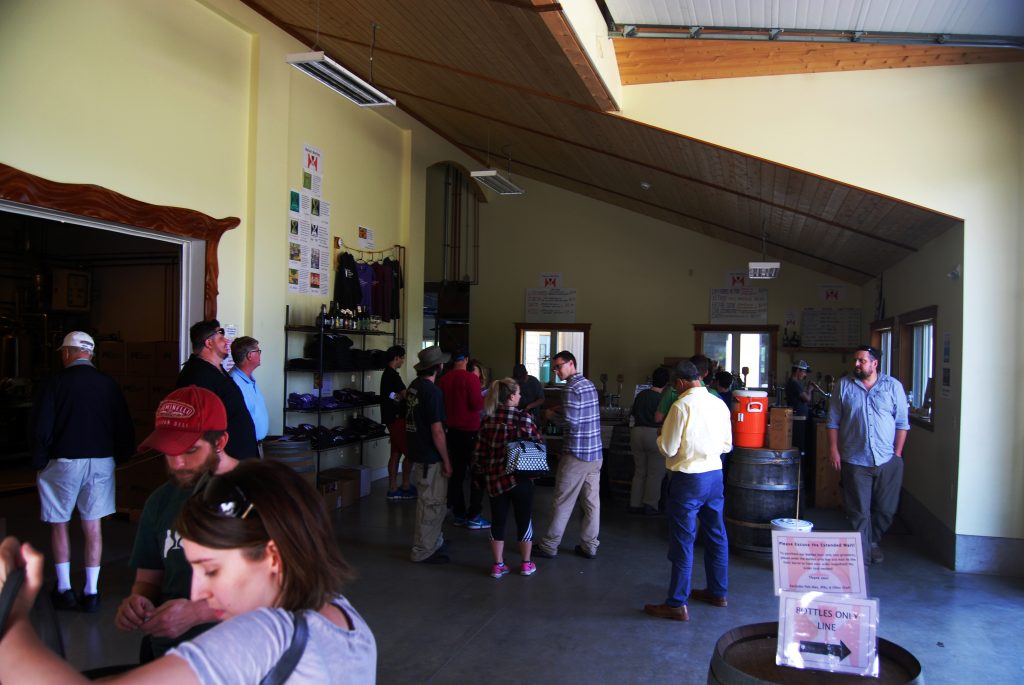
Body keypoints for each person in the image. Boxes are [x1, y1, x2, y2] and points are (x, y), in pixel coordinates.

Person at [0, 460, 377, 683]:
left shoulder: (263, 635)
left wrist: (13, 614)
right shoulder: (346, 619)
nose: (197, 593)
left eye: (210, 570)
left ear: (273, 557)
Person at [115, 386, 239, 661]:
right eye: (167, 452)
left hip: (239, 659)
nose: (177, 463)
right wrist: (139, 602)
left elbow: (289, 590)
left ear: (220, 442)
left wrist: (198, 613)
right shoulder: (160, 501)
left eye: (190, 450)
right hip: (171, 657)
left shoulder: (262, 495)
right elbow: (148, 579)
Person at [31, 331, 134, 613]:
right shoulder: (108, 385)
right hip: (101, 461)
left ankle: (64, 588)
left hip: (63, 461)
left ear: (66, 353)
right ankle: (92, 591)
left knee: (60, 523)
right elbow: (123, 424)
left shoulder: (55, 383)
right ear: (90, 354)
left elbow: (42, 426)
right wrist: (122, 456)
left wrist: (39, 461)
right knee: (93, 525)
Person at [645, 360, 733, 622]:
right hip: (715, 476)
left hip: (688, 479)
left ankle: (676, 603)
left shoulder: (681, 406)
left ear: (682, 383)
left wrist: (661, 437)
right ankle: (718, 592)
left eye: (676, 386)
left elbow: (669, 449)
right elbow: (727, 445)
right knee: (716, 535)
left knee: (684, 539)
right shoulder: (718, 403)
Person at [827, 345, 910, 565]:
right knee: (858, 510)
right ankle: (862, 554)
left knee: (886, 509)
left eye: (861, 361)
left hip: (887, 458)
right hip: (855, 458)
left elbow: (902, 423)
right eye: (855, 360)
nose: (856, 364)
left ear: (874, 363)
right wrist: (834, 449)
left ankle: (872, 540)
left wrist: (897, 454)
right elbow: (833, 421)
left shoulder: (893, 387)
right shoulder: (844, 386)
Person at [472, 378, 543, 579]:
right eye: (518, 393)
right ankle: (526, 564)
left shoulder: (488, 420)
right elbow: (538, 444)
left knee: (498, 521)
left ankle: (498, 565)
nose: (520, 396)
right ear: (511, 396)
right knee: (524, 520)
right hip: (521, 479)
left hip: (495, 480)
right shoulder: (525, 419)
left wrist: (481, 474)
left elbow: (478, 454)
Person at [534, 350, 602, 560]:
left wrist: (551, 415)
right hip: (595, 454)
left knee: (562, 501)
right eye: (554, 367)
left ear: (571, 364)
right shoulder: (588, 384)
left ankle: (549, 545)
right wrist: (562, 408)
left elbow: (572, 422)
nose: (555, 371)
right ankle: (590, 546)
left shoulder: (571, 388)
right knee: (591, 503)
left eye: (558, 366)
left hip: (576, 454)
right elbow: (581, 412)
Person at [176, 319, 258, 460]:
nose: (226, 341)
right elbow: (201, 428)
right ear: (209, 343)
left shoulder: (217, 369)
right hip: (225, 462)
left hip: (240, 457)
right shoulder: (196, 376)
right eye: (221, 337)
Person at [406, 346, 454, 564]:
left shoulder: (414, 387)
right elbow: (437, 430)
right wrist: (446, 460)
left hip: (417, 451)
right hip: (430, 457)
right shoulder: (433, 392)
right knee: (431, 504)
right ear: (438, 367)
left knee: (429, 502)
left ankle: (434, 540)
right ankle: (423, 549)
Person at [436, 348, 489, 530]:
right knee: (476, 475)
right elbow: (477, 404)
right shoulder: (470, 379)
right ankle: (474, 514)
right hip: (471, 433)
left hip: (452, 433)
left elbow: (440, 405)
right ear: (466, 359)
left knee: (457, 475)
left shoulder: (443, 380)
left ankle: (458, 513)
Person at [629, 366, 669, 516]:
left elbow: (632, 414)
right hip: (654, 434)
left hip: (637, 432)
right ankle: (650, 505)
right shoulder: (662, 399)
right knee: (655, 473)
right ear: (666, 383)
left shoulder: (641, 394)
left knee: (639, 471)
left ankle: (635, 503)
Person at [380, 345, 415, 500]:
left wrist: (398, 397)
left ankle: (393, 487)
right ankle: (405, 485)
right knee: (411, 452)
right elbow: (405, 395)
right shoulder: (393, 375)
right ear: (397, 358)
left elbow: (391, 395)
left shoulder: (386, 374)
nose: (403, 360)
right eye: (402, 357)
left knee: (395, 452)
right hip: (396, 419)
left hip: (390, 418)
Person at [228, 336, 268, 455]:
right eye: (258, 351)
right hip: (242, 448)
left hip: (254, 446)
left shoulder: (249, 380)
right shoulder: (233, 383)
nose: (260, 354)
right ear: (250, 355)